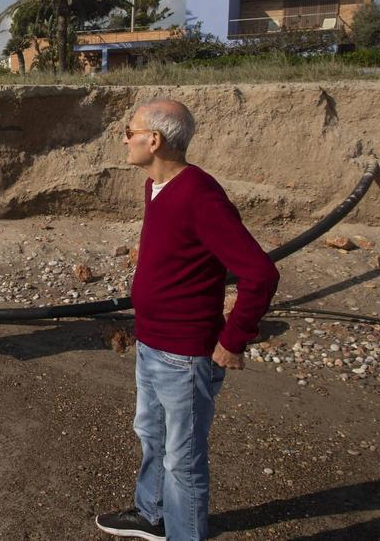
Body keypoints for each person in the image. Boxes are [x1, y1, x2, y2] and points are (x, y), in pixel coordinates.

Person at [96, 99, 279, 541]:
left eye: (130, 131)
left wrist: (233, 340)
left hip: (185, 356)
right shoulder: (155, 186)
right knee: (152, 436)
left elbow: (260, 273)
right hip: (151, 343)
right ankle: (152, 515)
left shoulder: (200, 196)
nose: (124, 138)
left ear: (154, 140)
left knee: (183, 461)